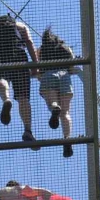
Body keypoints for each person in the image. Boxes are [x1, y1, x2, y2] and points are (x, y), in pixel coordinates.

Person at [0, 13, 39, 143]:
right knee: (23, 97)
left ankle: (6, 99)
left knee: (1, 79)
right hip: (19, 57)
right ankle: (27, 130)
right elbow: (29, 42)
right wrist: (35, 65)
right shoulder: (20, 26)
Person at [37, 27, 78, 157]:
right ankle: (67, 138)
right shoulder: (65, 48)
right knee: (66, 112)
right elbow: (72, 65)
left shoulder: (41, 50)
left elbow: (38, 70)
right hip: (64, 75)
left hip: (48, 75)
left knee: (53, 101)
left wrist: (41, 77)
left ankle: (54, 107)